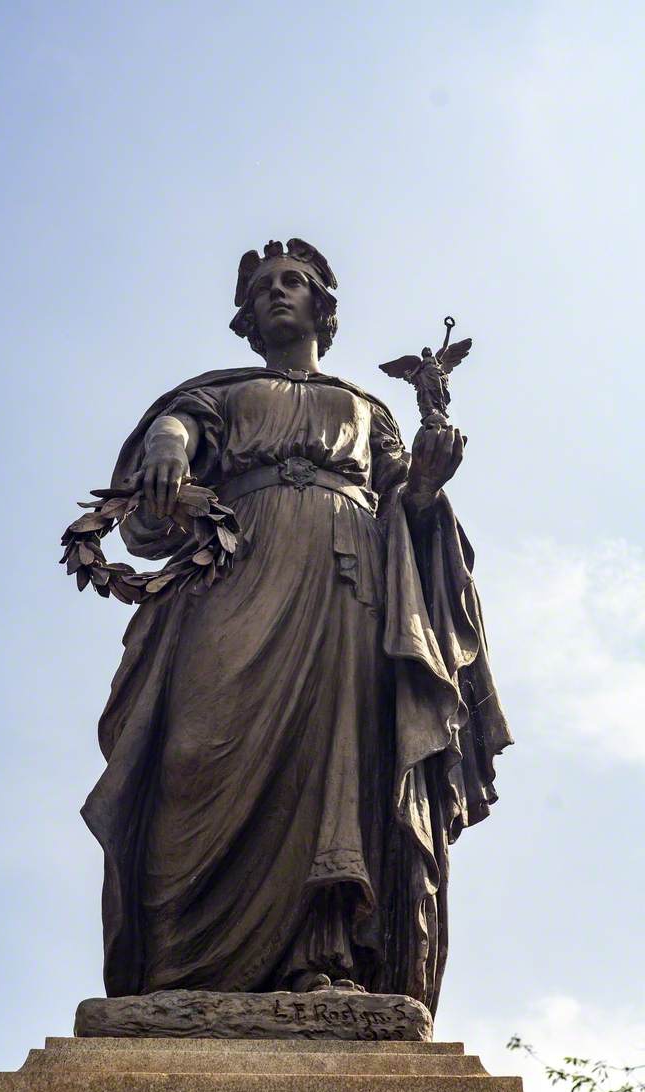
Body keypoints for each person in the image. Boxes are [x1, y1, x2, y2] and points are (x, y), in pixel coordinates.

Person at [81, 238, 511, 1015]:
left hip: (344, 586)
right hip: (230, 575)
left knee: (332, 760)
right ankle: (174, 968)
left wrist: (424, 483)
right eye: (264, 288)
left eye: (295, 283)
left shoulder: (365, 408)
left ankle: (325, 955)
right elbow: (173, 430)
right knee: (193, 750)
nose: (278, 293)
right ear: (246, 317)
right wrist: (168, 444)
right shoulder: (222, 394)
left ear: (322, 307)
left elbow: (402, 504)